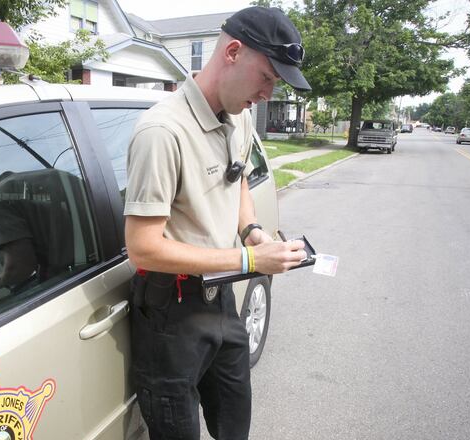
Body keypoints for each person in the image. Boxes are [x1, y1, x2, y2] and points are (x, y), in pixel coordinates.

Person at [124, 6, 312, 440]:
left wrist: (251, 231)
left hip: (222, 295)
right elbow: (142, 248)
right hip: (170, 310)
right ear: (232, 52)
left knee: (234, 423)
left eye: (275, 83)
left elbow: (238, 176)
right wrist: (251, 260)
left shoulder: (239, 116)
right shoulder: (162, 132)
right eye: (266, 77)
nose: (267, 93)